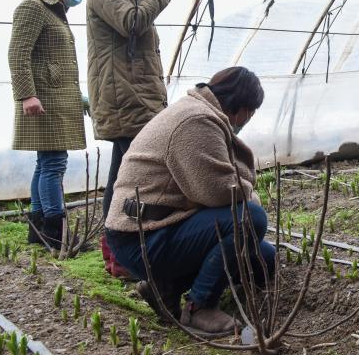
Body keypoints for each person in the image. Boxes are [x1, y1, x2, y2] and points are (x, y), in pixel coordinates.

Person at [104, 66, 273, 334]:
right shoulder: (196, 121)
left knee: (265, 258)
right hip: (141, 238)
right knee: (249, 219)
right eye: (251, 111)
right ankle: (200, 307)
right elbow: (218, 191)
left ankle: (165, 288)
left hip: (157, 226)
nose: (249, 118)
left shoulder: (199, 111)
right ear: (240, 106)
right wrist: (249, 193)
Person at [77, 0, 171, 277]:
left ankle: (122, 255)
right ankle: (119, 255)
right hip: (124, 99)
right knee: (128, 179)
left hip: (136, 97)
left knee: (127, 176)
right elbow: (132, 21)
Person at [8, 0, 88, 249]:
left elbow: (52, 60)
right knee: (54, 164)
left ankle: (38, 228)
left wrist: (79, 99)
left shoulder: (54, 11)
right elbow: (18, 54)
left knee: (46, 164)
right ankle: (57, 231)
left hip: (54, 99)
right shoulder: (32, 7)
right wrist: (26, 95)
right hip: (43, 100)